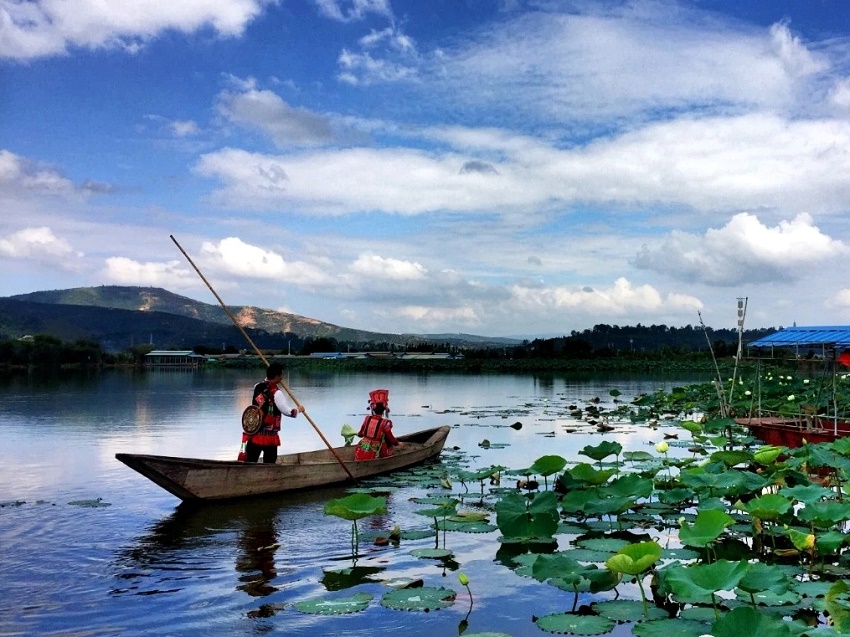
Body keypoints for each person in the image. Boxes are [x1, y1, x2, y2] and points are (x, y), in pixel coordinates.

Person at [243, 363, 302, 464]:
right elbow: (288, 412)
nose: (281, 378)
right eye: (281, 375)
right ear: (276, 376)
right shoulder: (277, 393)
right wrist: (299, 409)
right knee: (269, 464)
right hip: (269, 436)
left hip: (255, 432)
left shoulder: (257, 386)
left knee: (250, 461)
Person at [354, 389, 403, 461]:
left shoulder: (367, 418)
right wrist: (398, 443)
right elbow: (390, 437)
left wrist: (358, 434)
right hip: (375, 451)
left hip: (362, 449)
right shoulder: (385, 423)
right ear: (384, 410)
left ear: (373, 409)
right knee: (388, 444)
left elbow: (361, 434)